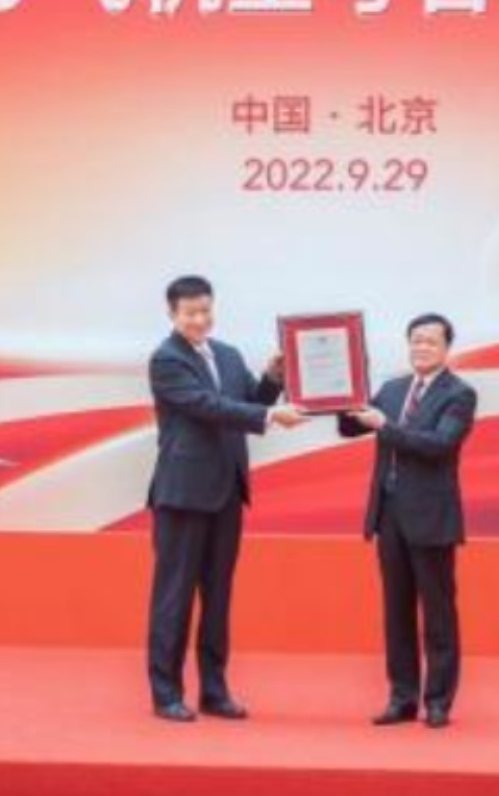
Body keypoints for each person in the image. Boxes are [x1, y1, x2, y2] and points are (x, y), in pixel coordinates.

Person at [145, 274, 307, 722]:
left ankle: (214, 691)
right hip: (183, 494)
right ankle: (166, 693)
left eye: (205, 310)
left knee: (218, 598)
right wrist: (270, 415)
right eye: (190, 313)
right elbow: (207, 407)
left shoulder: (229, 355)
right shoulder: (167, 360)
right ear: (172, 314)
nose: (200, 319)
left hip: (227, 493)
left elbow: (249, 400)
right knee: (175, 597)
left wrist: (273, 379)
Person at [338, 313, 477, 729]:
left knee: (437, 612)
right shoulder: (394, 388)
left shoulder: (459, 394)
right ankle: (402, 698)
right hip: (390, 513)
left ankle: (438, 701)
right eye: (416, 340)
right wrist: (340, 391)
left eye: (431, 341)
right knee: (396, 610)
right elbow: (349, 426)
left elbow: (439, 444)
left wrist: (387, 426)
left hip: (431, 516)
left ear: (447, 348)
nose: (422, 348)